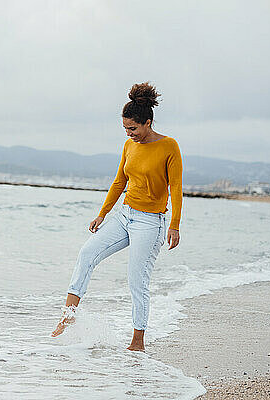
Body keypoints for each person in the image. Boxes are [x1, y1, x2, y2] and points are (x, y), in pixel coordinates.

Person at [51, 82, 183, 352]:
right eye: (125, 129)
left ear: (148, 122)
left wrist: (174, 225)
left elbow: (177, 189)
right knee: (87, 253)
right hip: (125, 215)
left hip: (150, 222)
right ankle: (68, 317)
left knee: (137, 280)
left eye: (133, 128)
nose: (129, 133)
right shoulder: (128, 146)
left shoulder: (169, 146)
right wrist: (102, 215)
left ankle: (137, 341)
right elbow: (119, 181)